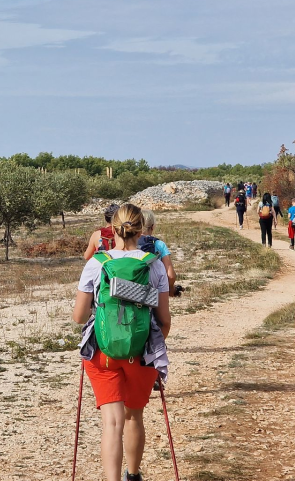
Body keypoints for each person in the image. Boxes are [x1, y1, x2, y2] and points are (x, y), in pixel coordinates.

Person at [73, 203, 171, 481]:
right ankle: (133, 474)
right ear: (142, 229)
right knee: (133, 416)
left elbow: (80, 316)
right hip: (141, 354)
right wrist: (148, 347)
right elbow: (164, 320)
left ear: (111, 229)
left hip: (103, 354)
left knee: (112, 422)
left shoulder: (97, 263)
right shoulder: (153, 266)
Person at [140, 209, 177, 291]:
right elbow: (170, 275)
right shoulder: (159, 244)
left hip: (130, 291)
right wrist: (170, 288)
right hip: (153, 292)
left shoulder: (129, 242)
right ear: (152, 227)